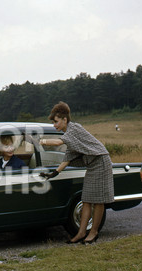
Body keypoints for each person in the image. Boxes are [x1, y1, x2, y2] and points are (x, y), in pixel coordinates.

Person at [40, 101, 114, 244]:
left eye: (56, 122)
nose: (54, 125)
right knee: (86, 200)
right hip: (92, 165)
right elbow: (68, 158)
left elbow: (58, 143)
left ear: (65, 119)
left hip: (101, 162)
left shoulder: (74, 129)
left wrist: (39, 141)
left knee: (98, 201)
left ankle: (93, 232)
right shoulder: (68, 134)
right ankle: (81, 233)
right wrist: (54, 173)